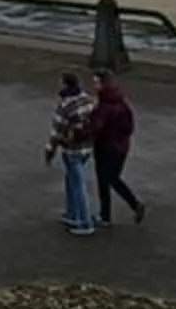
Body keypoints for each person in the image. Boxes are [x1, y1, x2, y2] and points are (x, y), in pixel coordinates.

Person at [90, 70, 144, 226]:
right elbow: (129, 126)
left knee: (106, 180)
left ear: (102, 84)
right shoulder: (121, 103)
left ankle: (109, 214)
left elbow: (95, 127)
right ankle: (123, 209)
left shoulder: (105, 105)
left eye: (96, 82)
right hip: (120, 147)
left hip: (106, 147)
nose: (94, 86)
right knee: (111, 179)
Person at [46, 73, 96, 233]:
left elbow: (56, 131)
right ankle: (72, 213)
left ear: (65, 84)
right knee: (73, 180)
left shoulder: (65, 106)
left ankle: (84, 221)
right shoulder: (89, 100)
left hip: (71, 149)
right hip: (88, 147)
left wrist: (49, 151)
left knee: (77, 184)